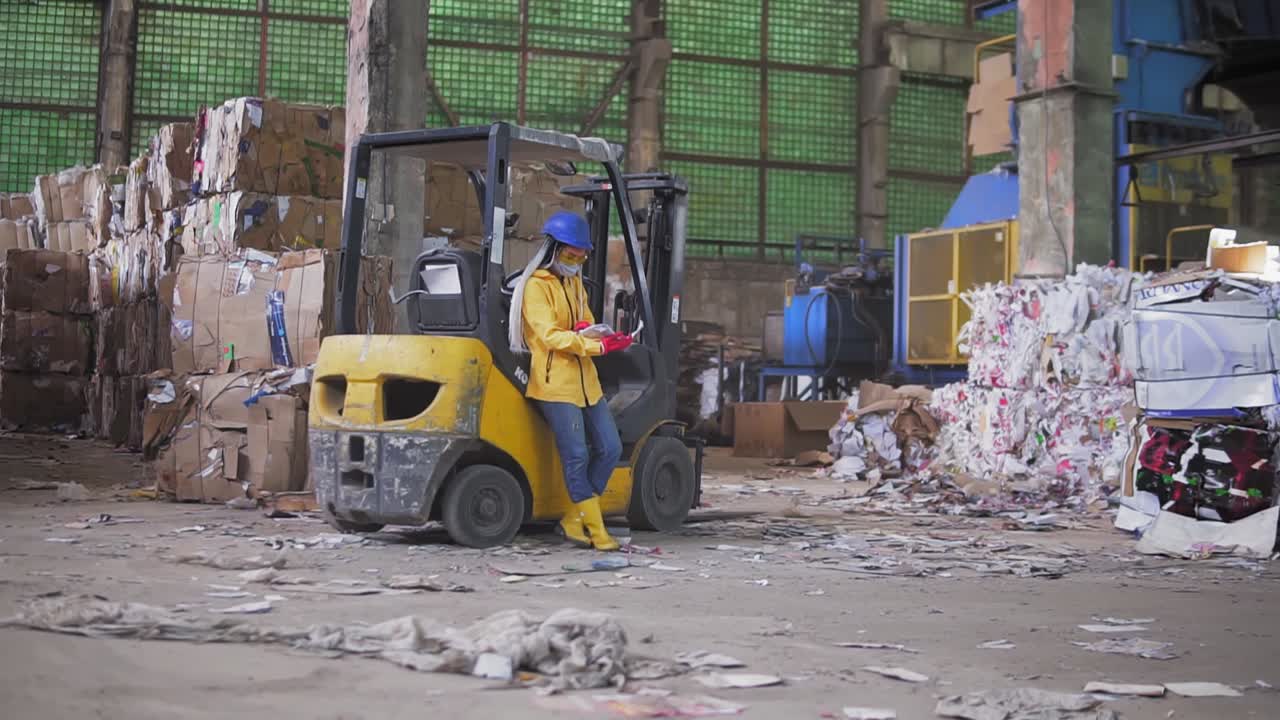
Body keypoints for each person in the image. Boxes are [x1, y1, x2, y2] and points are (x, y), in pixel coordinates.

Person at [507, 211, 633, 551]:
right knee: (576, 454)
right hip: (554, 383)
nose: (576, 261)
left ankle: (573, 519)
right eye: (570, 255)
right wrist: (593, 344)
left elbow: (585, 319)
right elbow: (548, 336)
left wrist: (600, 334)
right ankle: (594, 527)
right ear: (553, 250)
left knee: (610, 447)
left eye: (582, 255)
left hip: (586, 382)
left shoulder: (574, 283)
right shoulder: (535, 287)